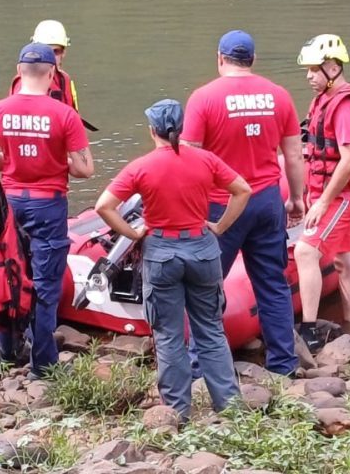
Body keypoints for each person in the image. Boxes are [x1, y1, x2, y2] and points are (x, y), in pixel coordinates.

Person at [95, 99, 250, 420]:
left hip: (162, 254)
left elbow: (103, 206)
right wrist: (220, 226)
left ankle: (177, 412)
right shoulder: (205, 159)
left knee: (168, 335)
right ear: (181, 128)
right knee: (209, 330)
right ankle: (232, 410)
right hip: (202, 250)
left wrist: (133, 233)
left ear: (152, 130)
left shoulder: (142, 166)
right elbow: (243, 190)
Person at [181, 30, 305, 375]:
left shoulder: (203, 98)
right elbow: (294, 154)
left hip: (222, 204)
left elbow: (188, 159)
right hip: (267, 199)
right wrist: (296, 198)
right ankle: (283, 364)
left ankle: (198, 368)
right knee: (272, 283)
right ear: (253, 61)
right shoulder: (279, 96)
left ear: (220, 58)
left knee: (205, 286)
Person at [0, 42, 94, 378]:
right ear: (51, 74)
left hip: (10, 203)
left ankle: (7, 349)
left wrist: (14, 158)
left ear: (18, 73)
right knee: (45, 284)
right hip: (48, 204)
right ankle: (42, 364)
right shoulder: (64, 115)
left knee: (9, 276)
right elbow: (85, 169)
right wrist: (57, 158)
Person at [294, 34, 350, 353]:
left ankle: (309, 331)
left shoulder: (346, 106)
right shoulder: (321, 101)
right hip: (325, 191)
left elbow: (348, 161)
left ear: (332, 67)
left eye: (314, 70)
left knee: (305, 252)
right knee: (345, 260)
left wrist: (323, 201)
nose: (309, 77)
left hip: (342, 197)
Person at [10, 20, 80, 113]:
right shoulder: (24, 83)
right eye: (46, 51)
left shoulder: (63, 79)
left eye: (56, 51)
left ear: (64, 52)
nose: (51, 57)